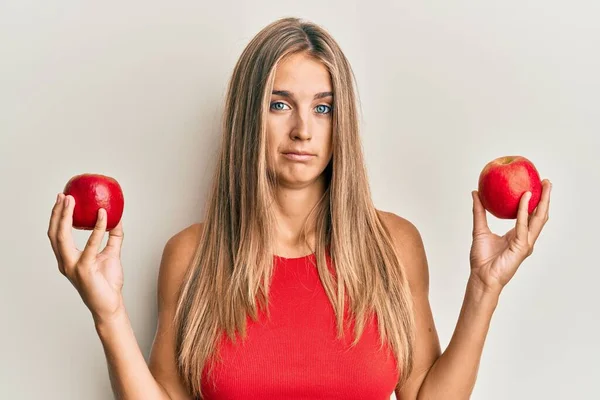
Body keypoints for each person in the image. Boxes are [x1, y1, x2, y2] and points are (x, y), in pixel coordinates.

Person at [47, 17, 552, 400]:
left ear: (342, 121)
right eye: (279, 104)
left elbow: (424, 395)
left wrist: (485, 289)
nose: (304, 130)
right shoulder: (190, 254)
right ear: (250, 117)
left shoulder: (394, 245)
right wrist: (107, 313)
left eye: (324, 107)